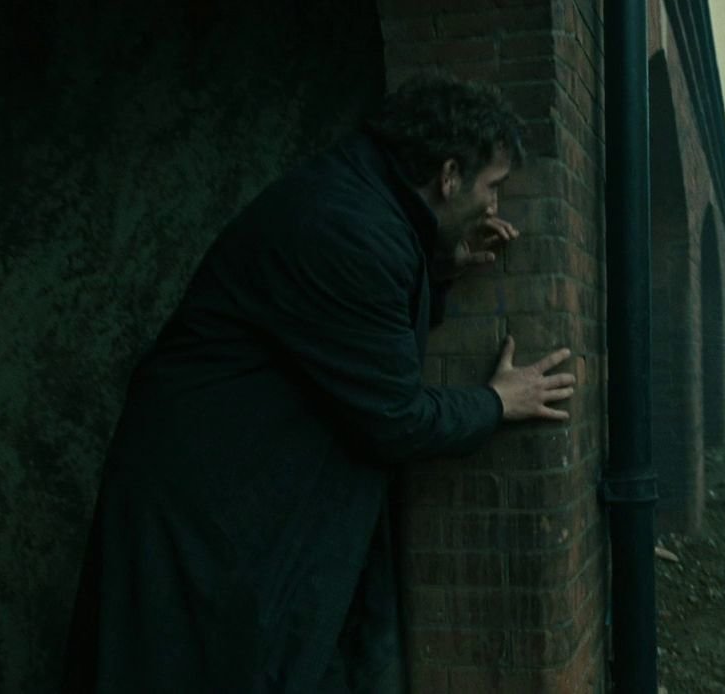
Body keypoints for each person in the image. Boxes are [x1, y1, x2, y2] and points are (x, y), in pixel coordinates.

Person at [62, 73, 575, 693]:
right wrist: (497, 402)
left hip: (238, 492)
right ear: (448, 176)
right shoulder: (350, 227)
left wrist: (440, 268)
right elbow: (395, 419)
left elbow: (353, 330)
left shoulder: (368, 203)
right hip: (203, 507)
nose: (494, 206)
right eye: (492, 186)